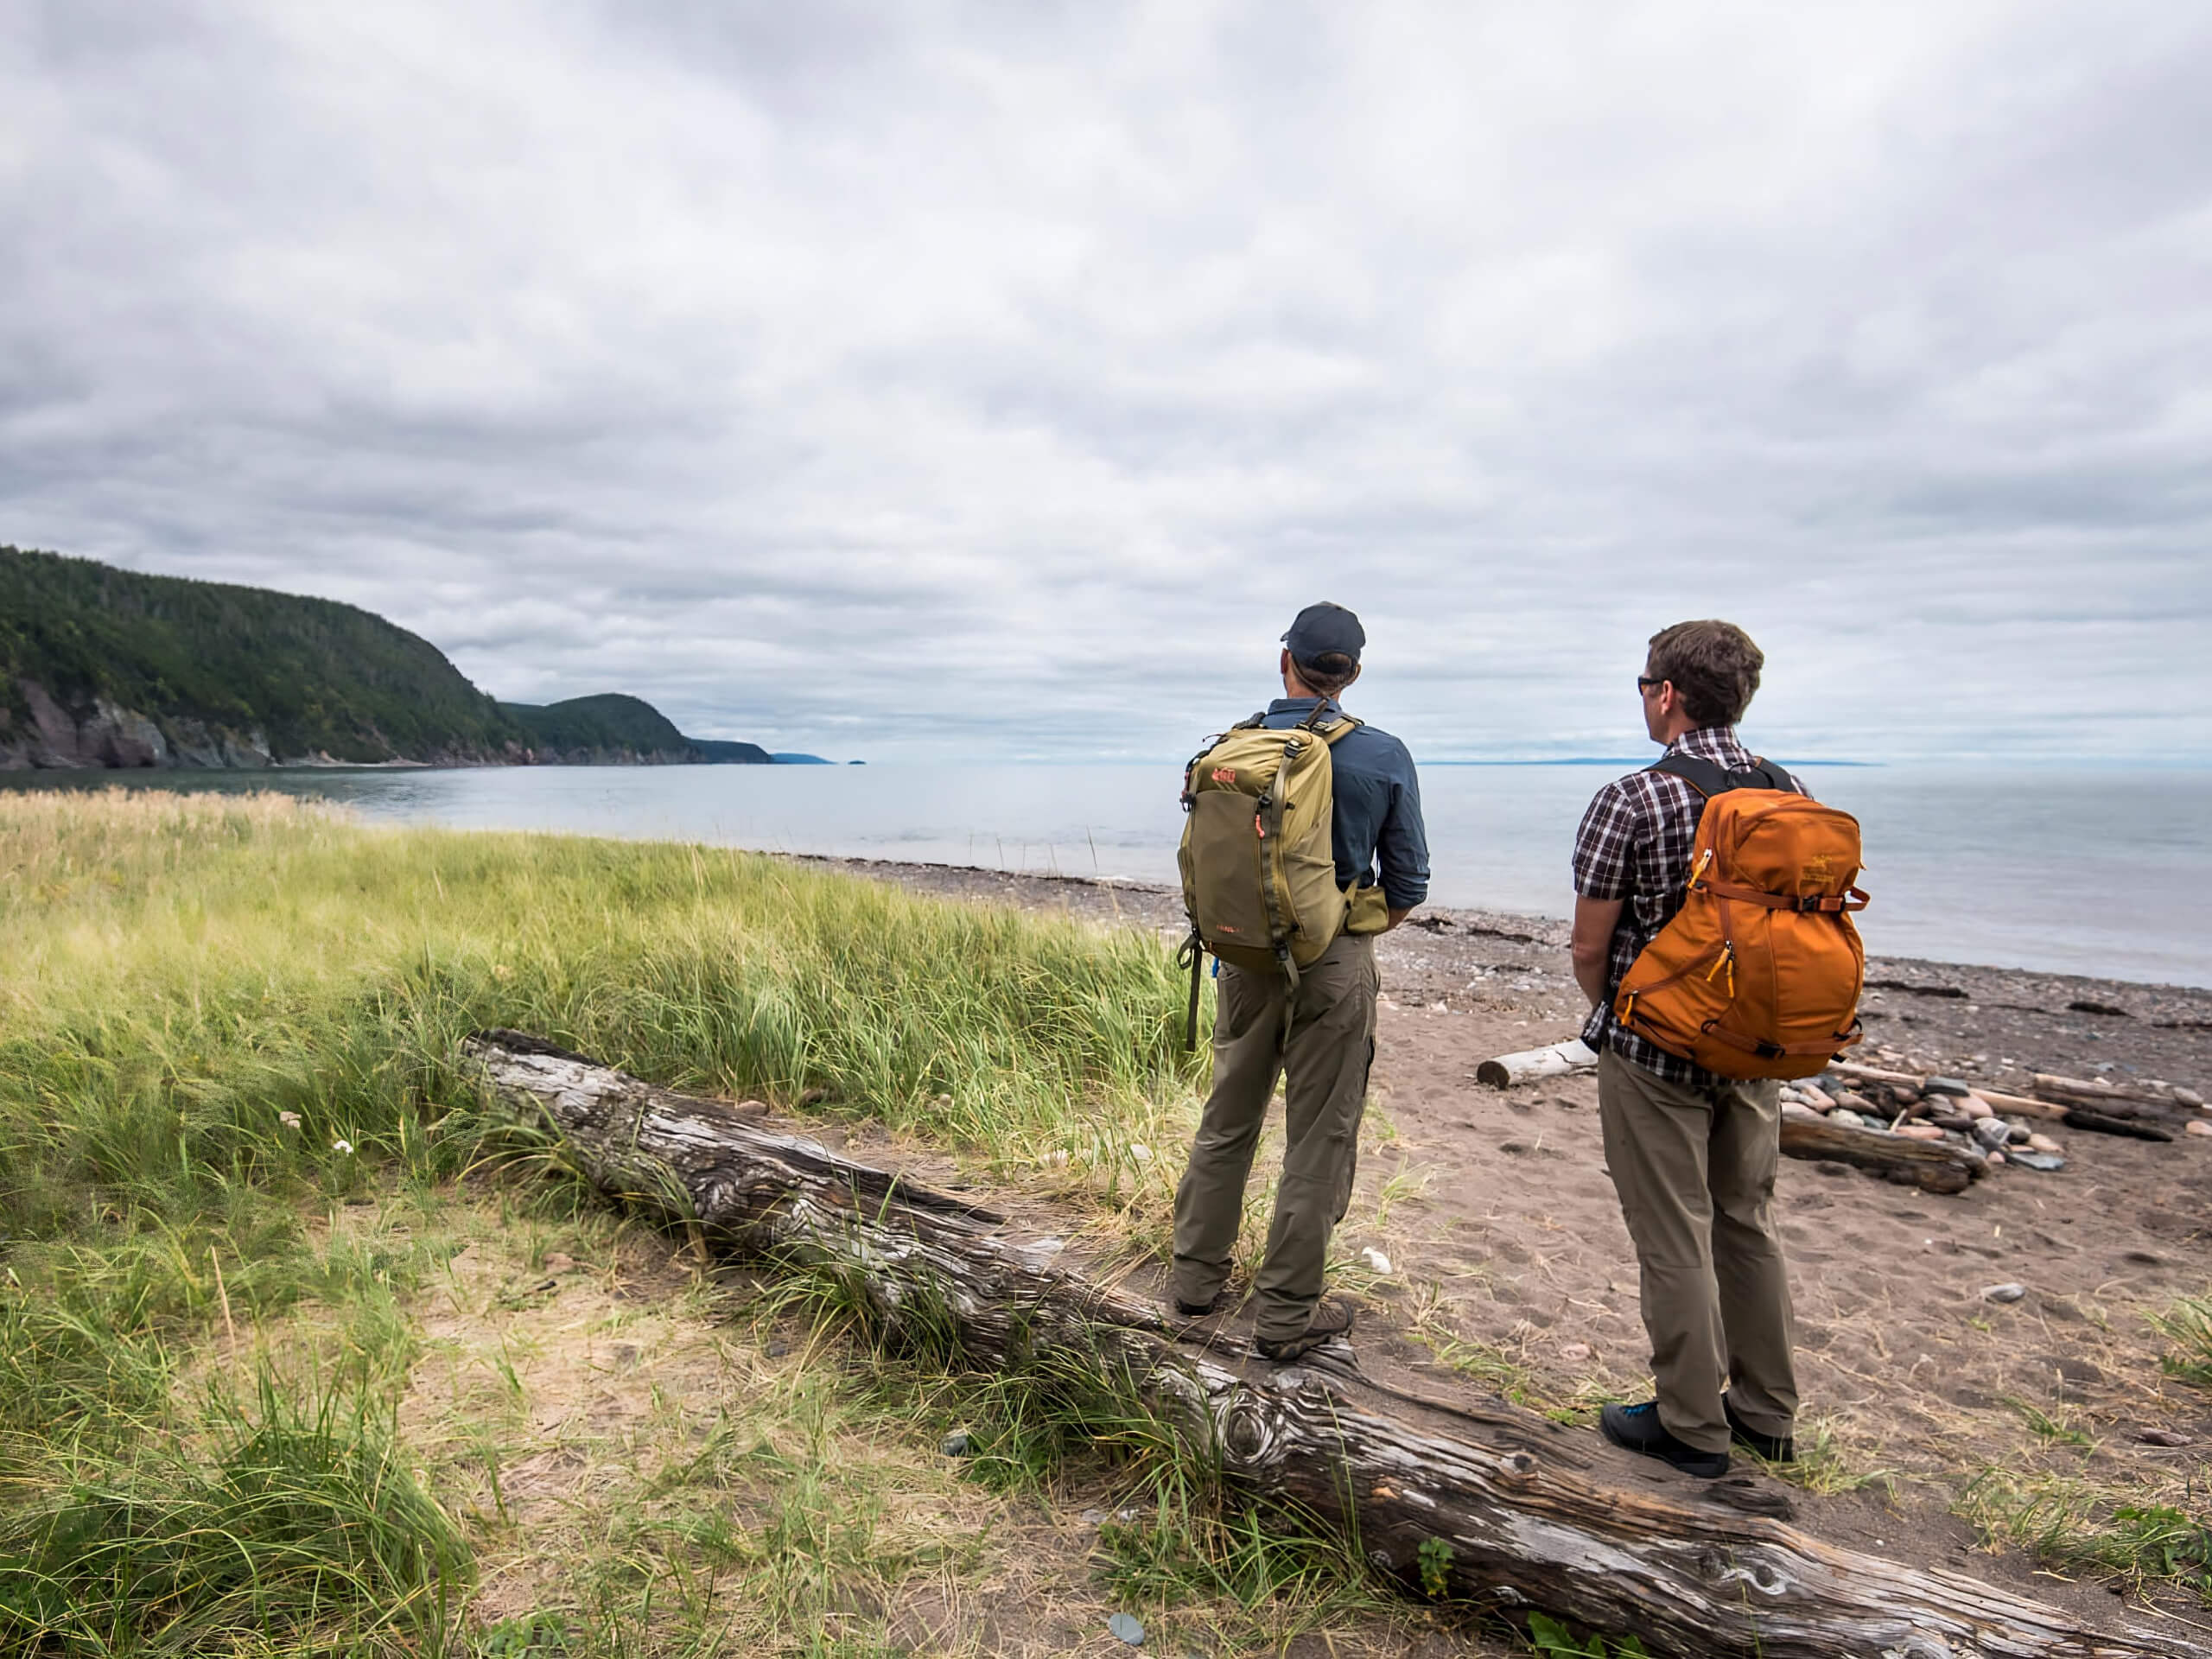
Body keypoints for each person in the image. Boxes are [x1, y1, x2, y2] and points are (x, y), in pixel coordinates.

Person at [1569, 619, 1802, 1479]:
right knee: (1749, 1225)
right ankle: (1767, 1416)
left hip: (1656, 1054)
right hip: (1754, 1049)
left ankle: (1690, 1425)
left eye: (1642, 685)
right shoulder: (1787, 791)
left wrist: (1618, 1021)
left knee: (1673, 1235)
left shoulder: (1633, 798)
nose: (1641, 698)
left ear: (1666, 695)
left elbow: (1590, 947)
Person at [1170, 601, 1429, 1361]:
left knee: (1228, 1117)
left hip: (1243, 956)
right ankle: (1284, 1316)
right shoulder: (1382, 755)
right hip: (1334, 963)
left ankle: (1193, 1282)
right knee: (1320, 1136)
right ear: (1353, 673)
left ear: (1283, 660)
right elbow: (1409, 886)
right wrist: (1342, 921)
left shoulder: (1235, 748)